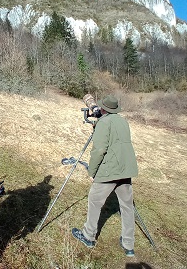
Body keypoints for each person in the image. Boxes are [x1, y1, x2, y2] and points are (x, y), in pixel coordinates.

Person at [71, 95, 138, 257]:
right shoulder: (123, 121)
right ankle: (128, 244)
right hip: (126, 169)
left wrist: (92, 172)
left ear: (102, 109)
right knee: (127, 207)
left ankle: (88, 236)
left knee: (94, 201)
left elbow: (99, 150)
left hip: (110, 170)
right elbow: (115, 139)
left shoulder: (104, 123)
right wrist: (97, 125)